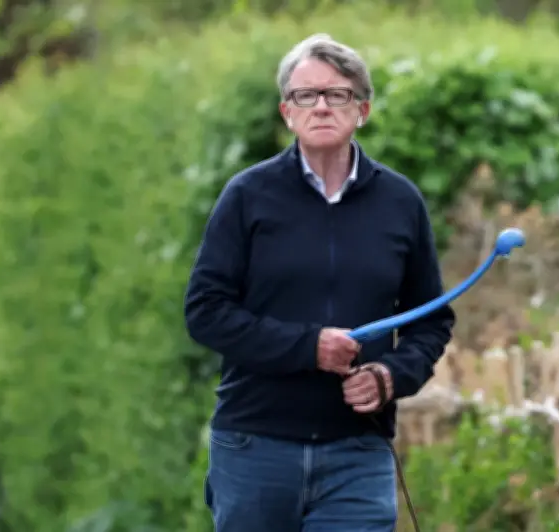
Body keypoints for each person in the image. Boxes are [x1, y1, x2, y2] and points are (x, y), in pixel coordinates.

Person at [183, 33, 456, 532]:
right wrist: (309, 348)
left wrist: (391, 376)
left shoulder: (400, 203)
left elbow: (431, 321)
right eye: (306, 95)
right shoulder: (247, 196)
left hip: (358, 452)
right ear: (288, 112)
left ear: (362, 110)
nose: (322, 106)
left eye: (338, 94)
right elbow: (206, 312)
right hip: (254, 449)